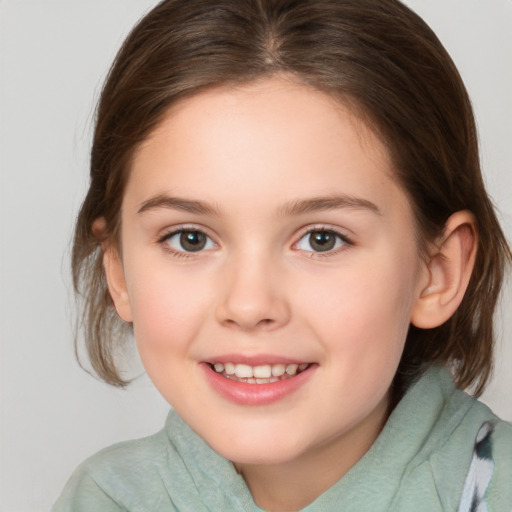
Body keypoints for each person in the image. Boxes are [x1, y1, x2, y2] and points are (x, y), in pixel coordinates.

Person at [53, 0, 512, 510]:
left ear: (437, 272)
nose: (249, 305)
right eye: (190, 238)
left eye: (321, 239)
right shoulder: (104, 498)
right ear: (117, 269)